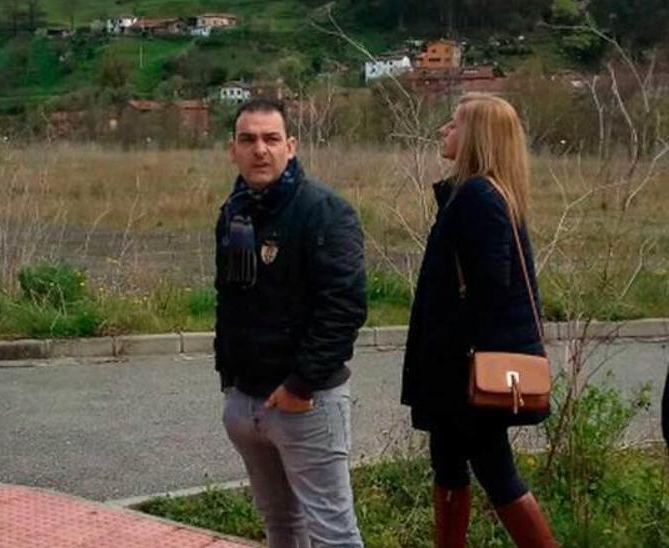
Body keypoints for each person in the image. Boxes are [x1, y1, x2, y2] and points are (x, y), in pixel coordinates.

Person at [402, 93, 557, 547]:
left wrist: (451, 349)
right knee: (448, 465)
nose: (444, 132)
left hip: (467, 370)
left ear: (476, 137)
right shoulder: (479, 193)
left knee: (496, 471)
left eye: (453, 125)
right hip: (455, 366)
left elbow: (491, 286)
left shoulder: (479, 196)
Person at [215, 97, 368, 548]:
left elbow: (344, 306)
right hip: (246, 397)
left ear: (291, 146)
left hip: (307, 401)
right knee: (281, 526)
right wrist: (230, 381)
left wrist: (301, 385)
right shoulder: (235, 213)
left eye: (271, 138)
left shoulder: (324, 211)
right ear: (233, 149)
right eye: (248, 139)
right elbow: (231, 299)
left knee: (332, 532)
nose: (259, 149)